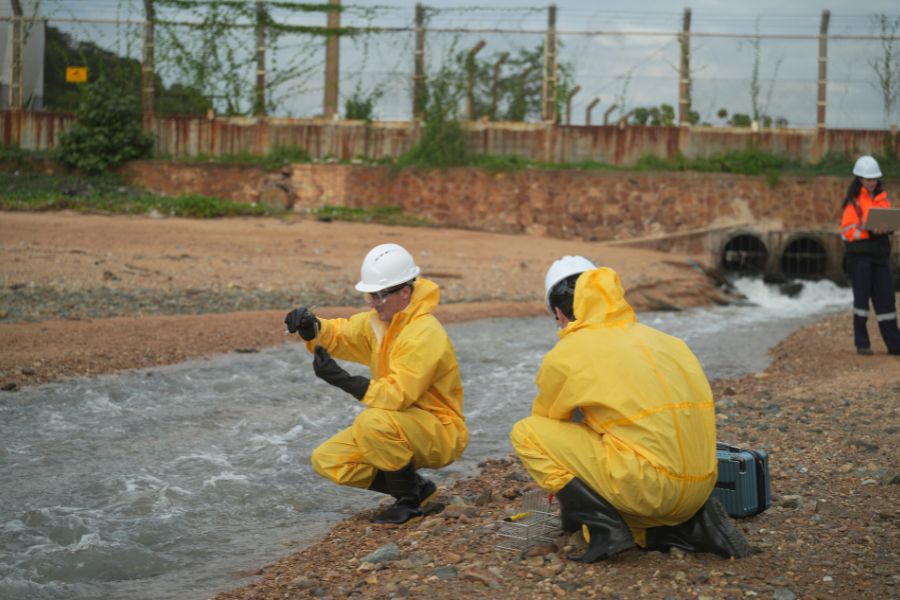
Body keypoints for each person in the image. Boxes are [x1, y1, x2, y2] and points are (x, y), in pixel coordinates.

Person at [510, 256, 752, 563]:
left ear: (559, 312)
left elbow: (547, 423)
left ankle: (607, 530)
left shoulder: (569, 352)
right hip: (702, 485)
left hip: (650, 491)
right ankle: (693, 523)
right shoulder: (669, 342)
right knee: (642, 451)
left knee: (526, 433)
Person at [284, 243, 468, 524]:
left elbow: (397, 395)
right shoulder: (379, 322)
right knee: (329, 458)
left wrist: (342, 380)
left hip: (440, 430)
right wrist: (311, 327)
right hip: (403, 424)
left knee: (372, 422)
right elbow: (341, 334)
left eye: (378, 295)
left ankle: (409, 503)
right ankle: (418, 489)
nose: (372, 302)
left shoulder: (424, 334)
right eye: (369, 294)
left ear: (404, 291)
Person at [840, 155, 900, 356]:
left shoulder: (883, 201)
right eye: (868, 179)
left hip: (880, 257)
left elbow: (889, 223)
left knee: (887, 302)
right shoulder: (853, 203)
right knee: (861, 302)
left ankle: (895, 345)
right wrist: (869, 231)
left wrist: (886, 229)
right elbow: (846, 231)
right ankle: (862, 344)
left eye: (874, 179)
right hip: (860, 259)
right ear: (859, 180)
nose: (872, 182)